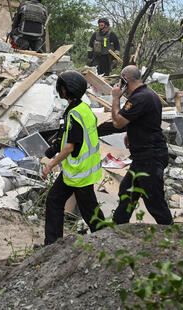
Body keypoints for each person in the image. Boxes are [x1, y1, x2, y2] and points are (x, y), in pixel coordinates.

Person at [42, 70, 106, 245]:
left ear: (65, 90)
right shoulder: (83, 108)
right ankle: (53, 244)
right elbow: (72, 138)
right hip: (81, 170)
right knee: (56, 201)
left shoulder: (74, 114)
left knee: (89, 212)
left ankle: (106, 241)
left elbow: (70, 146)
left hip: (79, 172)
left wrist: (50, 165)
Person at [110, 65, 173, 226]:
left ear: (126, 80)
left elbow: (117, 122)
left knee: (155, 202)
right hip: (143, 157)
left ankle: (172, 238)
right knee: (126, 192)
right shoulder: (148, 94)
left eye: (121, 82)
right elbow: (146, 121)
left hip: (149, 157)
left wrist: (115, 98)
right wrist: (130, 133)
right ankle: (118, 228)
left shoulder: (139, 98)